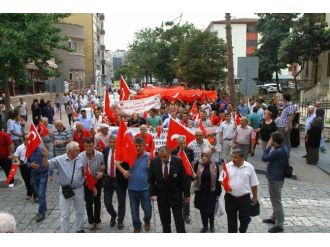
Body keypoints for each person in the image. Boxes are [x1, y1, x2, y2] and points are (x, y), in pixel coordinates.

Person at [42, 141, 86, 233]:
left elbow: (86, 171)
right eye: (76, 150)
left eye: (78, 150)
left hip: (79, 189)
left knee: (80, 211)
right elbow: (46, 165)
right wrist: (45, 156)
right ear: (69, 151)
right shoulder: (59, 159)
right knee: (65, 214)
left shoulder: (81, 158)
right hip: (65, 190)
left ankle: (79, 229)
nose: (79, 151)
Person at [149, 146, 190, 233]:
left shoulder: (177, 161)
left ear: (169, 154)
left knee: (179, 221)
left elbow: (183, 179)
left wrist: (187, 195)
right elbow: (151, 179)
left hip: (176, 196)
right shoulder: (154, 161)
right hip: (162, 197)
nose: (163, 159)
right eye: (161, 157)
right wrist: (153, 193)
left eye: (165, 157)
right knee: (165, 222)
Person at [219, 149, 259, 233]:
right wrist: (225, 185)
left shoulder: (249, 167)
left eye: (235, 157)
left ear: (242, 158)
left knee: (245, 220)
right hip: (230, 199)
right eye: (232, 157)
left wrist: (255, 197)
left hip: (244, 200)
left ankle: (242, 231)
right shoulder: (227, 166)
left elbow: (254, 184)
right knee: (231, 221)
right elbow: (221, 179)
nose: (233, 159)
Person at [117, 137, 152, 233]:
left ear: (144, 146)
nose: (138, 148)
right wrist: (124, 172)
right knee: (134, 211)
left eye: (140, 146)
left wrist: (151, 165)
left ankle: (147, 220)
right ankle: (137, 226)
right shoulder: (129, 155)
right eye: (136, 146)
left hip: (146, 189)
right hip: (132, 189)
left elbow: (155, 171)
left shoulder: (150, 156)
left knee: (148, 210)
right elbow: (117, 162)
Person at [262, 131, 289, 233]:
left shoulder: (277, 151)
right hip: (279, 177)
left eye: (271, 138)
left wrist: (268, 147)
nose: (269, 140)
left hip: (275, 178)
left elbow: (264, 158)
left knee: (276, 202)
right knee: (275, 200)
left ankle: (279, 224)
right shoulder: (284, 148)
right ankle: (274, 217)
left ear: (274, 141)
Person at [102, 134, 129, 230]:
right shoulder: (105, 150)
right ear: (108, 142)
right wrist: (103, 168)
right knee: (107, 202)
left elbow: (128, 165)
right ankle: (113, 214)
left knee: (121, 202)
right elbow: (104, 163)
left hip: (120, 180)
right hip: (108, 180)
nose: (112, 144)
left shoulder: (123, 151)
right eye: (110, 142)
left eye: (114, 142)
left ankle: (120, 220)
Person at [194, 148, 221, 233]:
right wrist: (193, 176)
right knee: (203, 210)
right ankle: (205, 225)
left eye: (206, 156)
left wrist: (218, 192)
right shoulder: (197, 164)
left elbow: (217, 180)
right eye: (203, 156)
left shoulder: (215, 166)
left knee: (210, 210)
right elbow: (193, 177)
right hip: (200, 192)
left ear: (210, 156)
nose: (204, 158)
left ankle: (212, 224)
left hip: (211, 192)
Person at [80, 137, 104, 230]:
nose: (89, 148)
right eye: (86, 146)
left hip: (97, 180)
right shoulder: (81, 156)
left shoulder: (100, 155)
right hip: (86, 181)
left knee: (97, 201)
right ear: (84, 146)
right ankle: (91, 221)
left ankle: (97, 220)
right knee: (88, 202)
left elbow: (103, 166)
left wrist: (101, 173)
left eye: (90, 146)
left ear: (94, 145)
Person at [171, 135, 195, 224]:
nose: (182, 145)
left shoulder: (190, 151)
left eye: (184, 143)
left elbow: (191, 162)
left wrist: (193, 172)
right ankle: (178, 214)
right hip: (176, 178)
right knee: (177, 196)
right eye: (181, 143)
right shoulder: (173, 151)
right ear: (177, 143)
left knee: (186, 196)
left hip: (187, 177)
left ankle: (186, 214)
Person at [27, 145, 49, 222]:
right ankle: (44, 208)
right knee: (39, 193)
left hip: (43, 174)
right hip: (34, 175)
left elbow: (50, 162)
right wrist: (30, 165)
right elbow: (26, 162)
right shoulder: (29, 150)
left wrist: (51, 174)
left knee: (41, 194)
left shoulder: (43, 150)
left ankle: (41, 212)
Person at [14, 135, 37, 201]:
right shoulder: (20, 147)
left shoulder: (34, 146)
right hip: (23, 165)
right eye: (27, 139)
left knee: (33, 180)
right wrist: (17, 161)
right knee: (26, 180)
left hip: (32, 164)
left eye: (29, 138)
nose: (29, 140)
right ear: (24, 140)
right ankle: (29, 193)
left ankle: (35, 195)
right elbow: (16, 156)